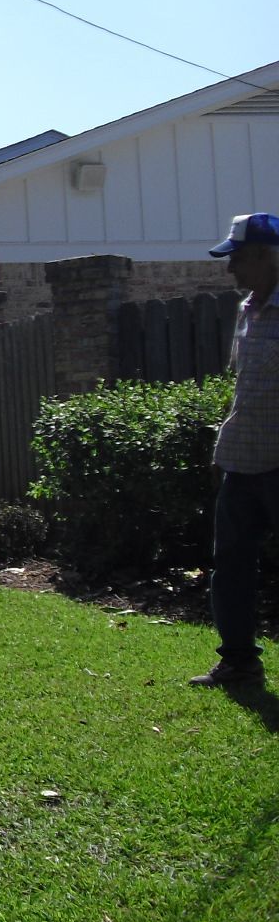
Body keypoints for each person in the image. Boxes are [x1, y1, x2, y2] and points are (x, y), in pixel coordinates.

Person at [193, 212, 279, 688]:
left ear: (266, 257)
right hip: (242, 462)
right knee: (231, 567)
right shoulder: (247, 310)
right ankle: (239, 662)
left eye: (239, 259)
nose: (230, 271)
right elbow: (244, 387)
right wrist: (223, 449)